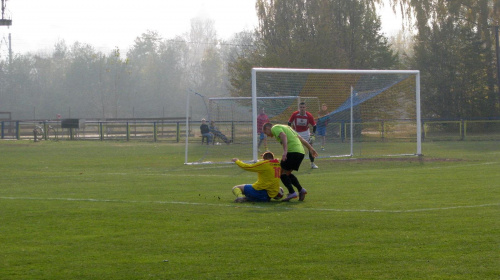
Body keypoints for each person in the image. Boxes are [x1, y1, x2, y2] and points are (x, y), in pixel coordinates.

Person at [263, 122, 318, 202]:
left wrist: (285, 152)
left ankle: (292, 192)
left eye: (265, 133)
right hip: (300, 152)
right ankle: (301, 190)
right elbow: (301, 139)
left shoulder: (274, 128)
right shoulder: (287, 128)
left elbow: (283, 136)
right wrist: (311, 149)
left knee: (281, 173)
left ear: (268, 128)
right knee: (287, 173)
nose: (267, 135)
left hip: (292, 152)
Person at [288, 102, 318, 169]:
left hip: (306, 133)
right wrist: (290, 132)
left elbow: (314, 126)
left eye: (303, 107)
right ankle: (291, 163)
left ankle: (312, 163)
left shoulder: (309, 115)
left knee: (310, 148)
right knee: (294, 148)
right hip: (296, 133)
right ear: (299, 108)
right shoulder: (295, 114)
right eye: (301, 107)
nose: (302, 109)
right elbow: (289, 123)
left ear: (305, 108)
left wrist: (313, 135)